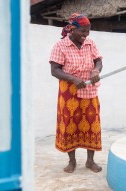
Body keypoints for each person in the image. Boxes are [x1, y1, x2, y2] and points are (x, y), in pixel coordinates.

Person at [49, 13, 103, 173]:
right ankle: (72, 162)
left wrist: (95, 71)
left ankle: (90, 161)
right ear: (72, 29)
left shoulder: (90, 43)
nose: (85, 35)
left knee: (92, 124)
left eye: (88, 32)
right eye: (83, 32)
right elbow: (54, 70)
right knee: (70, 124)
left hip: (89, 90)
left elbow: (98, 61)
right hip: (69, 92)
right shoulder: (60, 46)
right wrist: (73, 79)